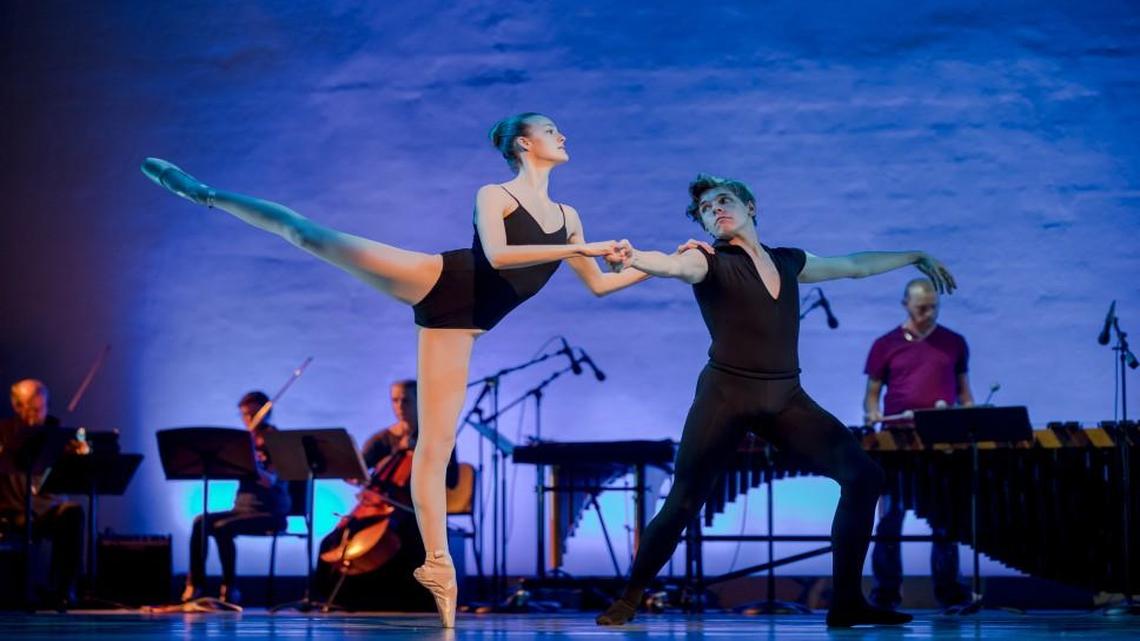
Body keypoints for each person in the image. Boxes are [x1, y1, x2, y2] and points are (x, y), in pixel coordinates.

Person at [142, 113, 648, 626]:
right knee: (306, 235)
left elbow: (601, 285)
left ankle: (437, 566)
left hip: (465, 327)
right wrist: (578, 248)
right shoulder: (495, 195)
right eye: (549, 129)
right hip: (439, 282)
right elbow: (496, 255)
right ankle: (203, 193)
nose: (561, 135)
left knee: (435, 445)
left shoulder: (569, 216)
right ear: (524, 143)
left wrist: (663, 263)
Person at [597, 174, 957, 628]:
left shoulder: (788, 261)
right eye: (707, 210)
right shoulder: (705, 259)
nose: (715, 210)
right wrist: (635, 258)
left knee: (864, 476)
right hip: (726, 394)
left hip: (785, 395)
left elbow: (853, 265)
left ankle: (846, 602)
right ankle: (629, 597)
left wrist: (915, 255)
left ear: (751, 207)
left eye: (724, 201)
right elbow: (672, 267)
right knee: (685, 500)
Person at [864, 278, 974, 609]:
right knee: (889, 522)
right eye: (922, 307)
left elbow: (963, 390)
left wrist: (970, 417)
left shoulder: (954, 342)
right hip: (898, 445)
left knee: (945, 524)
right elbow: (872, 396)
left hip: (942, 445)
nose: (929, 313)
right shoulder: (885, 344)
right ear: (905, 305)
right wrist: (874, 416)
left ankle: (950, 593)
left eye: (934, 307)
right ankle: (885, 594)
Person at [316, 379, 459, 611]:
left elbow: (452, 480)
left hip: (416, 510)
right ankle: (335, 599)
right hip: (381, 507)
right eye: (395, 400)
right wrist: (355, 476)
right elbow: (358, 469)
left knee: (411, 539)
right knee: (331, 541)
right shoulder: (382, 439)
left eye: (406, 400)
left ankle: (407, 603)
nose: (400, 406)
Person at [183, 391, 291, 604]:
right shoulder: (245, 440)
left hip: (269, 511)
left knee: (223, 528)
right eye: (244, 415)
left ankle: (229, 588)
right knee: (200, 522)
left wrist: (252, 461)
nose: (248, 420)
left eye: (253, 415)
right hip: (242, 508)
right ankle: (196, 585)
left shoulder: (278, 441)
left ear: (265, 413)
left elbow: (271, 481)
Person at [0, 379, 85, 608]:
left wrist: (78, 454)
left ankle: (63, 589)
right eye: (29, 409)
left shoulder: (54, 435)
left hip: (46, 507)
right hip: (14, 510)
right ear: (17, 407)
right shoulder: (4, 432)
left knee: (72, 512)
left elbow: (71, 470)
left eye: (40, 409)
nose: (35, 416)